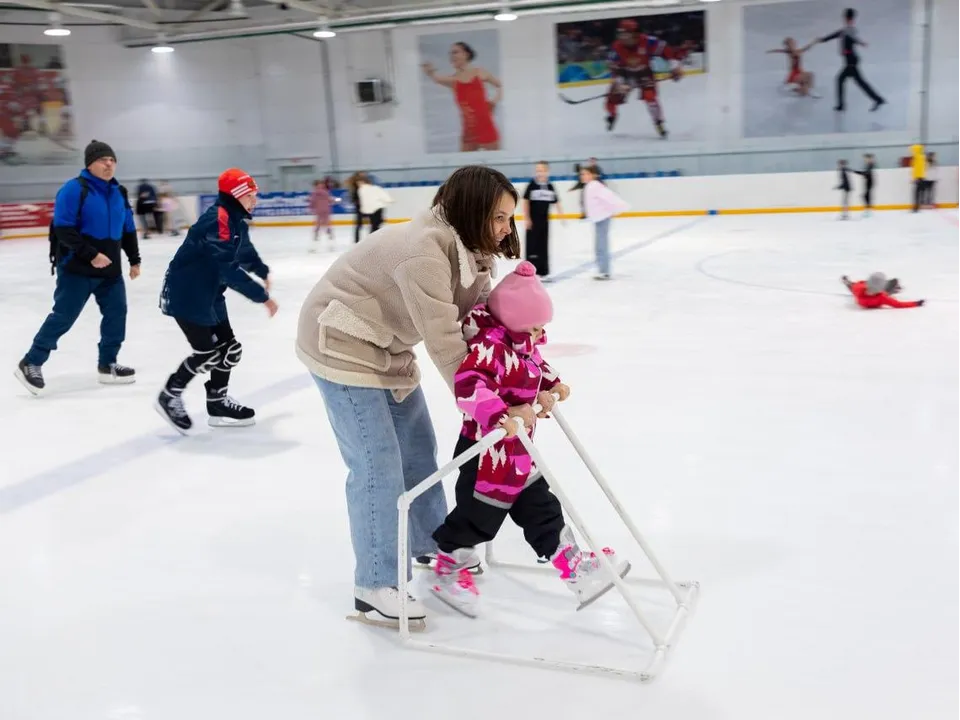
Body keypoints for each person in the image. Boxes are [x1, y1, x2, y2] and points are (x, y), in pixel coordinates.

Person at [296, 165, 521, 625]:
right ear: (473, 210)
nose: (506, 229)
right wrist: (486, 405)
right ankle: (375, 584)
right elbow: (446, 343)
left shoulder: (474, 253)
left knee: (419, 452)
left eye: (508, 219)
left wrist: (521, 372)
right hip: (342, 342)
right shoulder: (425, 253)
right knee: (378, 465)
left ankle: (431, 545)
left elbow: (477, 326)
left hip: (387, 347)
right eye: (498, 217)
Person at [429, 262, 628, 617]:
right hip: (486, 453)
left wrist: (551, 385)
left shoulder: (521, 344)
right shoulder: (490, 347)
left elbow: (533, 366)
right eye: (536, 326)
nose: (541, 333)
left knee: (542, 508)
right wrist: (498, 415)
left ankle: (574, 567)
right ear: (515, 321)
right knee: (479, 518)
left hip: (518, 451)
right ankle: (447, 567)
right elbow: (469, 385)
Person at [156, 168, 278, 434]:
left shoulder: (234, 219)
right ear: (236, 195)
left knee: (230, 350)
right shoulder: (218, 220)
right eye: (250, 195)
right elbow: (226, 268)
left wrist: (262, 271)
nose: (254, 200)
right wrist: (261, 296)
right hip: (187, 294)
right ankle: (169, 394)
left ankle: (217, 402)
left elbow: (243, 251)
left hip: (210, 293)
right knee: (208, 354)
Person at [15, 139, 140, 395]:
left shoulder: (119, 192)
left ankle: (108, 365)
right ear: (90, 164)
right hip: (77, 268)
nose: (108, 164)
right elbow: (63, 229)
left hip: (110, 271)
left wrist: (134, 259)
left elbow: (127, 228)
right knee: (63, 316)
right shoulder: (73, 190)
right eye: (102, 160)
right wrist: (91, 254)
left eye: (112, 160)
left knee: (117, 315)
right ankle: (31, 362)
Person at [604, 18, 685, 138]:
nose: (622, 37)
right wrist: (620, 83)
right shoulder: (616, 47)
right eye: (620, 34)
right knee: (612, 99)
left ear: (635, 34)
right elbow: (613, 68)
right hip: (624, 73)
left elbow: (667, 52)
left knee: (650, 98)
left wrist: (675, 67)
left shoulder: (648, 42)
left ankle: (659, 123)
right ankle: (612, 115)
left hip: (644, 73)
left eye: (625, 34)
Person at [421, 42, 502, 152]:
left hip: (487, 129)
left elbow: (500, 86)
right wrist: (430, 72)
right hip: (469, 133)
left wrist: (493, 102)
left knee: (494, 164)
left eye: (455, 52)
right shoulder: (453, 80)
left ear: (466, 54)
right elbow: (437, 79)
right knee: (466, 167)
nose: (452, 56)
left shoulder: (479, 72)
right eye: (450, 54)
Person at [819, 7, 885, 113]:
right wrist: (822, 40)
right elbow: (835, 35)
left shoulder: (850, 30)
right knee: (857, 82)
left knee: (842, 80)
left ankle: (842, 105)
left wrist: (858, 44)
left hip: (851, 61)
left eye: (846, 18)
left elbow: (852, 38)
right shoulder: (845, 30)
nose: (846, 20)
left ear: (848, 18)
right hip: (850, 61)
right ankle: (878, 99)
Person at [581, 164, 627, 280]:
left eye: (586, 174)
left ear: (593, 175)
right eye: (582, 174)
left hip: (603, 218)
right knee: (600, 245)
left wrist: (620, 206)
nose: (583, 176)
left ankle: (604, 271)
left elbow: (609, 197)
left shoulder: (595, 185)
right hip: (599, 218)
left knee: (601, 245)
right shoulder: (590, 186)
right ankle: (603, 270)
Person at [523, 161, 564, 280]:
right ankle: (530, 272)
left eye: (542, 170)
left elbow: (556, 201)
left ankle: (543, 272)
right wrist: (527, 218)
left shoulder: (550, 186)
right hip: (533, 221)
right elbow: (525, 202)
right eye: (537, 170)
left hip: (545, 222)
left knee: (543, 246)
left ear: (547, 171)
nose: (539, 172)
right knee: (532, 246)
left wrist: (561, 214)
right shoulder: (532, 184)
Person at [841, 273, 924, 309]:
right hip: (863, 287)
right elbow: (857, 285)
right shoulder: (859, 289)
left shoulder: (882, 297)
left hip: (879, 290)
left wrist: (916, 303)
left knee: (892, 284)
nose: (871, 292)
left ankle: (891, 285)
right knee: (851, 286)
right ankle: (847, 281)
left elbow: (898, 304)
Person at [309, 178, 335, 251]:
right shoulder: (326, 191)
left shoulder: (314, 193)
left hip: (319, 211)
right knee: (327, 225)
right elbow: (330, 200)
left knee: (318, 226)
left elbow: (312, 202)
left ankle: (315, 242)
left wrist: (311, 208)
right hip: (326, 210)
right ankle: (331, 242)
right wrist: (333, 201)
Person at [910, 143, 926, 213]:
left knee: (916, 193)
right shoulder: (921, 157)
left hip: (918, 177)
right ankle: (917, 207)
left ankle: (916, 208)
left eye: (913, 150)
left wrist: (916, 178)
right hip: (920, 177)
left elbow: (917, 169)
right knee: (917, 193)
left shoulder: (918, 157)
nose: (912, 151)